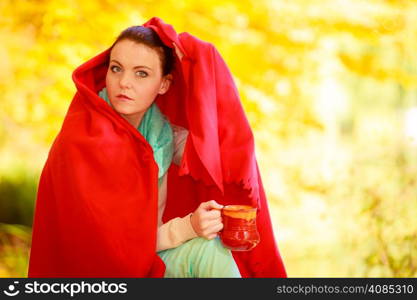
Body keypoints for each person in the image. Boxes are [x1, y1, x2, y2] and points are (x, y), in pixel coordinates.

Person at [28, 17, 287, 278]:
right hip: (95, 277)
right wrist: (189, 227)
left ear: (164, 84)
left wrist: (199, 58)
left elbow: (218, 151)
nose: (124, 82)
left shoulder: (158, 132)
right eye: (116, 68)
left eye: (141, 73)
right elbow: (110, 248)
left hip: (145, 259)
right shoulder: (85, 139)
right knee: (202, 248)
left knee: (210, 250)